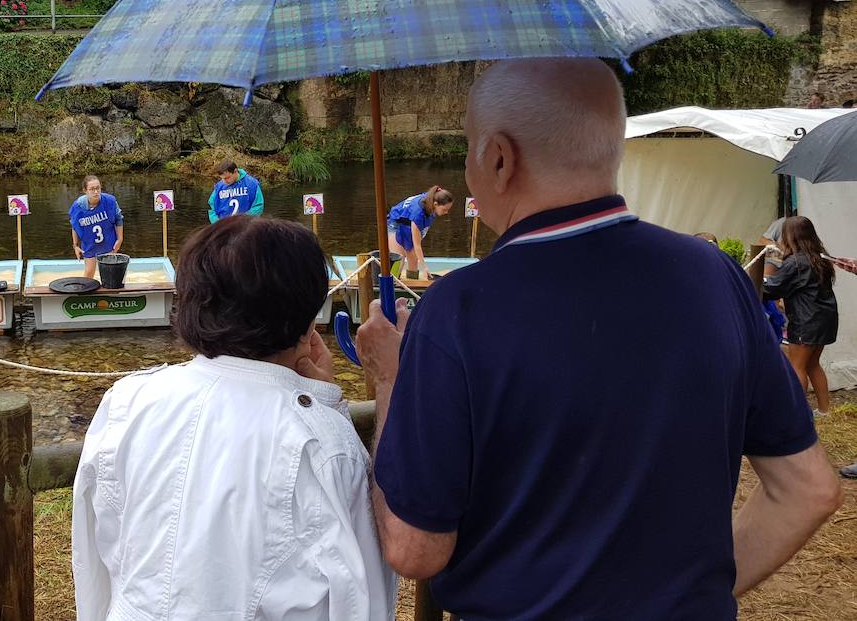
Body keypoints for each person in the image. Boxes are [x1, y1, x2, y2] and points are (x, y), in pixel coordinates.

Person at [356, 58, 840, 619]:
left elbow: (414, 549)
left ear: (497, 157)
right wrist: (688, 595)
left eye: (468, 149)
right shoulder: (715, 276)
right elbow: (808, 490)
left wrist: (391, 379)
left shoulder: (457, 310)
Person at [73, 216, 396, 619]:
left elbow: (96, 555)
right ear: (307, 313)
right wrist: (328, 406)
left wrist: (319, 398)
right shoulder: (323, 442)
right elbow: (362, 599)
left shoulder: (128, 399)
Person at [764, 216, 840, 417]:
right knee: (813, 364)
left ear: (791, 237)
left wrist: (756, 280)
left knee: (797, 366)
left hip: (806, 321)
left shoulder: (795, 262)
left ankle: (797, 415)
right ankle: (824, 411)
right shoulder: (820, 257)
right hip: (824, 319)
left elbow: (771, 289)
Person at [386, 185, 456, 279]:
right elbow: (417, 244)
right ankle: (392, 283)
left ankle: (411, 283)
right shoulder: (418, 214)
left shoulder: (432, 197)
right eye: (444, 210)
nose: (446, 212)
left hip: (408, 223)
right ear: (435, 204)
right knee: (398, 260)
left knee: (413, 260)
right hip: (396, 222)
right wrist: (424, 267)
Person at [69, 175, 123, 279]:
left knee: (110, 274)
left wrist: (120, 239)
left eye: (98, 188)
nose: (96, 192)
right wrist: (75, 246)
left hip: (108, 242)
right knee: (89, 273)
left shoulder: (110, 201)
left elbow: (118, 218)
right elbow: (74, 225)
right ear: (85, 190)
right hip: (89, 244)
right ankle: (86, 294)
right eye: (92, 189)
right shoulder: (78, 206)